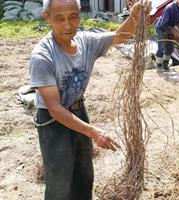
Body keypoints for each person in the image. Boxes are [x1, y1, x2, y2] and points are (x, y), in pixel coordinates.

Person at [29, 0, 151, 199]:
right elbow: (54, 108)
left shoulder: (87, 42)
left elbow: (122, 36)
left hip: (79, 112)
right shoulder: (42, 56)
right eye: (60, 18)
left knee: (84, 175)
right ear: (47, 17)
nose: (68, 25)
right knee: (59, 182)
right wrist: (94, 132)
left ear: (80, 14)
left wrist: (135, 15)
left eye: (73, 17)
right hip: (53, 122)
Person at [155, 0, 179, 73]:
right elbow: (163, 24)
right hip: (161, 28)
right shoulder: (169, 7)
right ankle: (159, 67)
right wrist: (173, 31)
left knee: (170, 48)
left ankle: (165, 65)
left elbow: (178, 22)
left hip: (169, 29)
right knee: (161, 48)